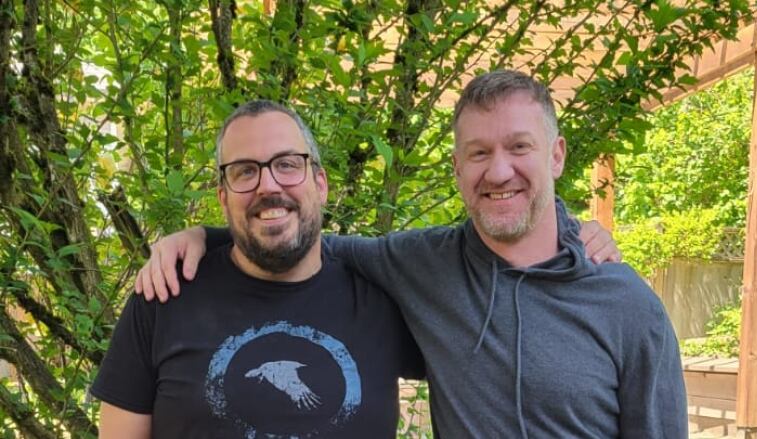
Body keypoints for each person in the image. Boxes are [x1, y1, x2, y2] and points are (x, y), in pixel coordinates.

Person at [135, 71, 687, 437]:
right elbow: (293, 233)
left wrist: (577, 232)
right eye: (478, 153)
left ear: (557, 155)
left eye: (519, 147)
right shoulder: (421, 264)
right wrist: (205, 237)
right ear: (456, 167)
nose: (499, 171)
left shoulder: (626, 306)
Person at [91, 101, 425, 438]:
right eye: (245, 171)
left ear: (321, 184)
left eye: (287, 164)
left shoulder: (382, 301)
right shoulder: (165, 295)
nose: (268, 185)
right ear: (223, 197)